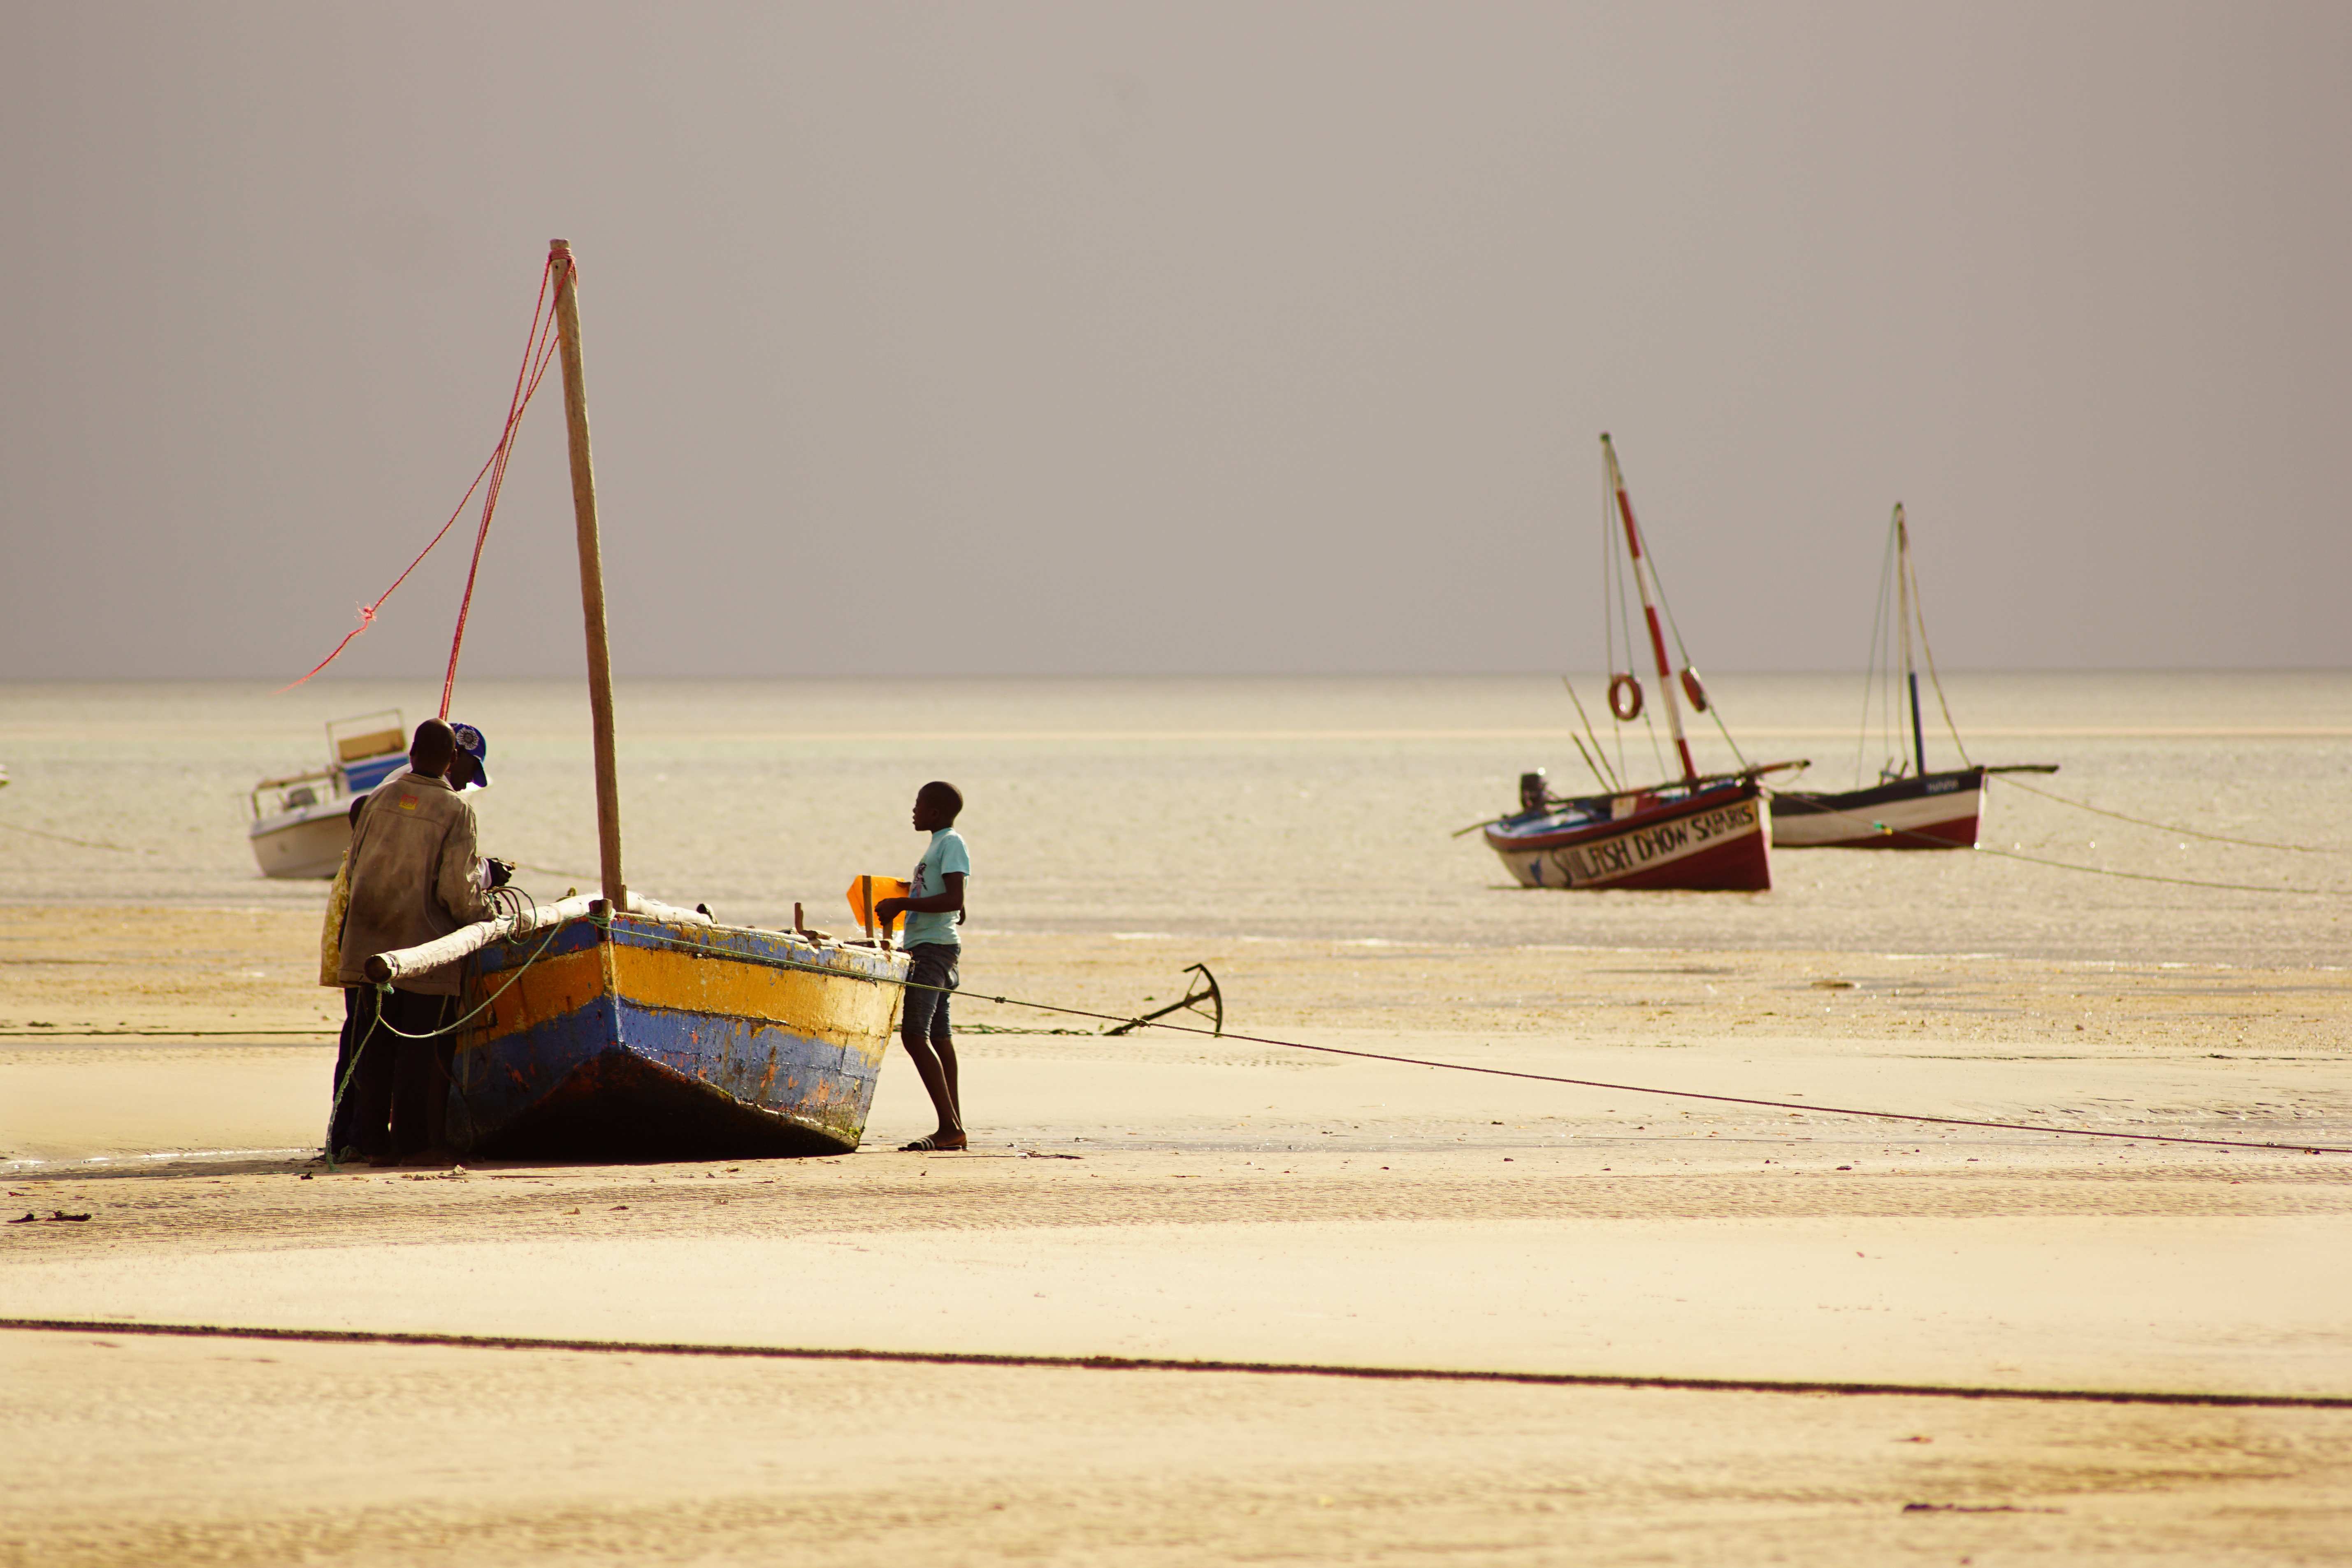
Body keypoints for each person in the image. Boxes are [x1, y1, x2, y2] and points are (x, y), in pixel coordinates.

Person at [333, 718, 500, 1164]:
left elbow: (355, 867)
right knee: (416, 1045)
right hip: (421, 947)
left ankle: (372, 1142)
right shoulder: (456, 810)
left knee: (374, 1045)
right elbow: (456, 888)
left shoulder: (379, 798)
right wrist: (484, 918)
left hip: (367, 941)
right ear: (450, 761)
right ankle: (408, 1142)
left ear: (410, 754)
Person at [873, 781, 970, 1152]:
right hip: (929, 947)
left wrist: (902, 906)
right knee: (940, 1036)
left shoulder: (950, 842)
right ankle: (955, 1128)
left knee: (914, 1035)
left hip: (933, 951)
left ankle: (949, 1127)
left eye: (918, 805)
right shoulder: (937, 846)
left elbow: (954, 897)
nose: (913, 811)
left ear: (934, 812)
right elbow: (953, 898)